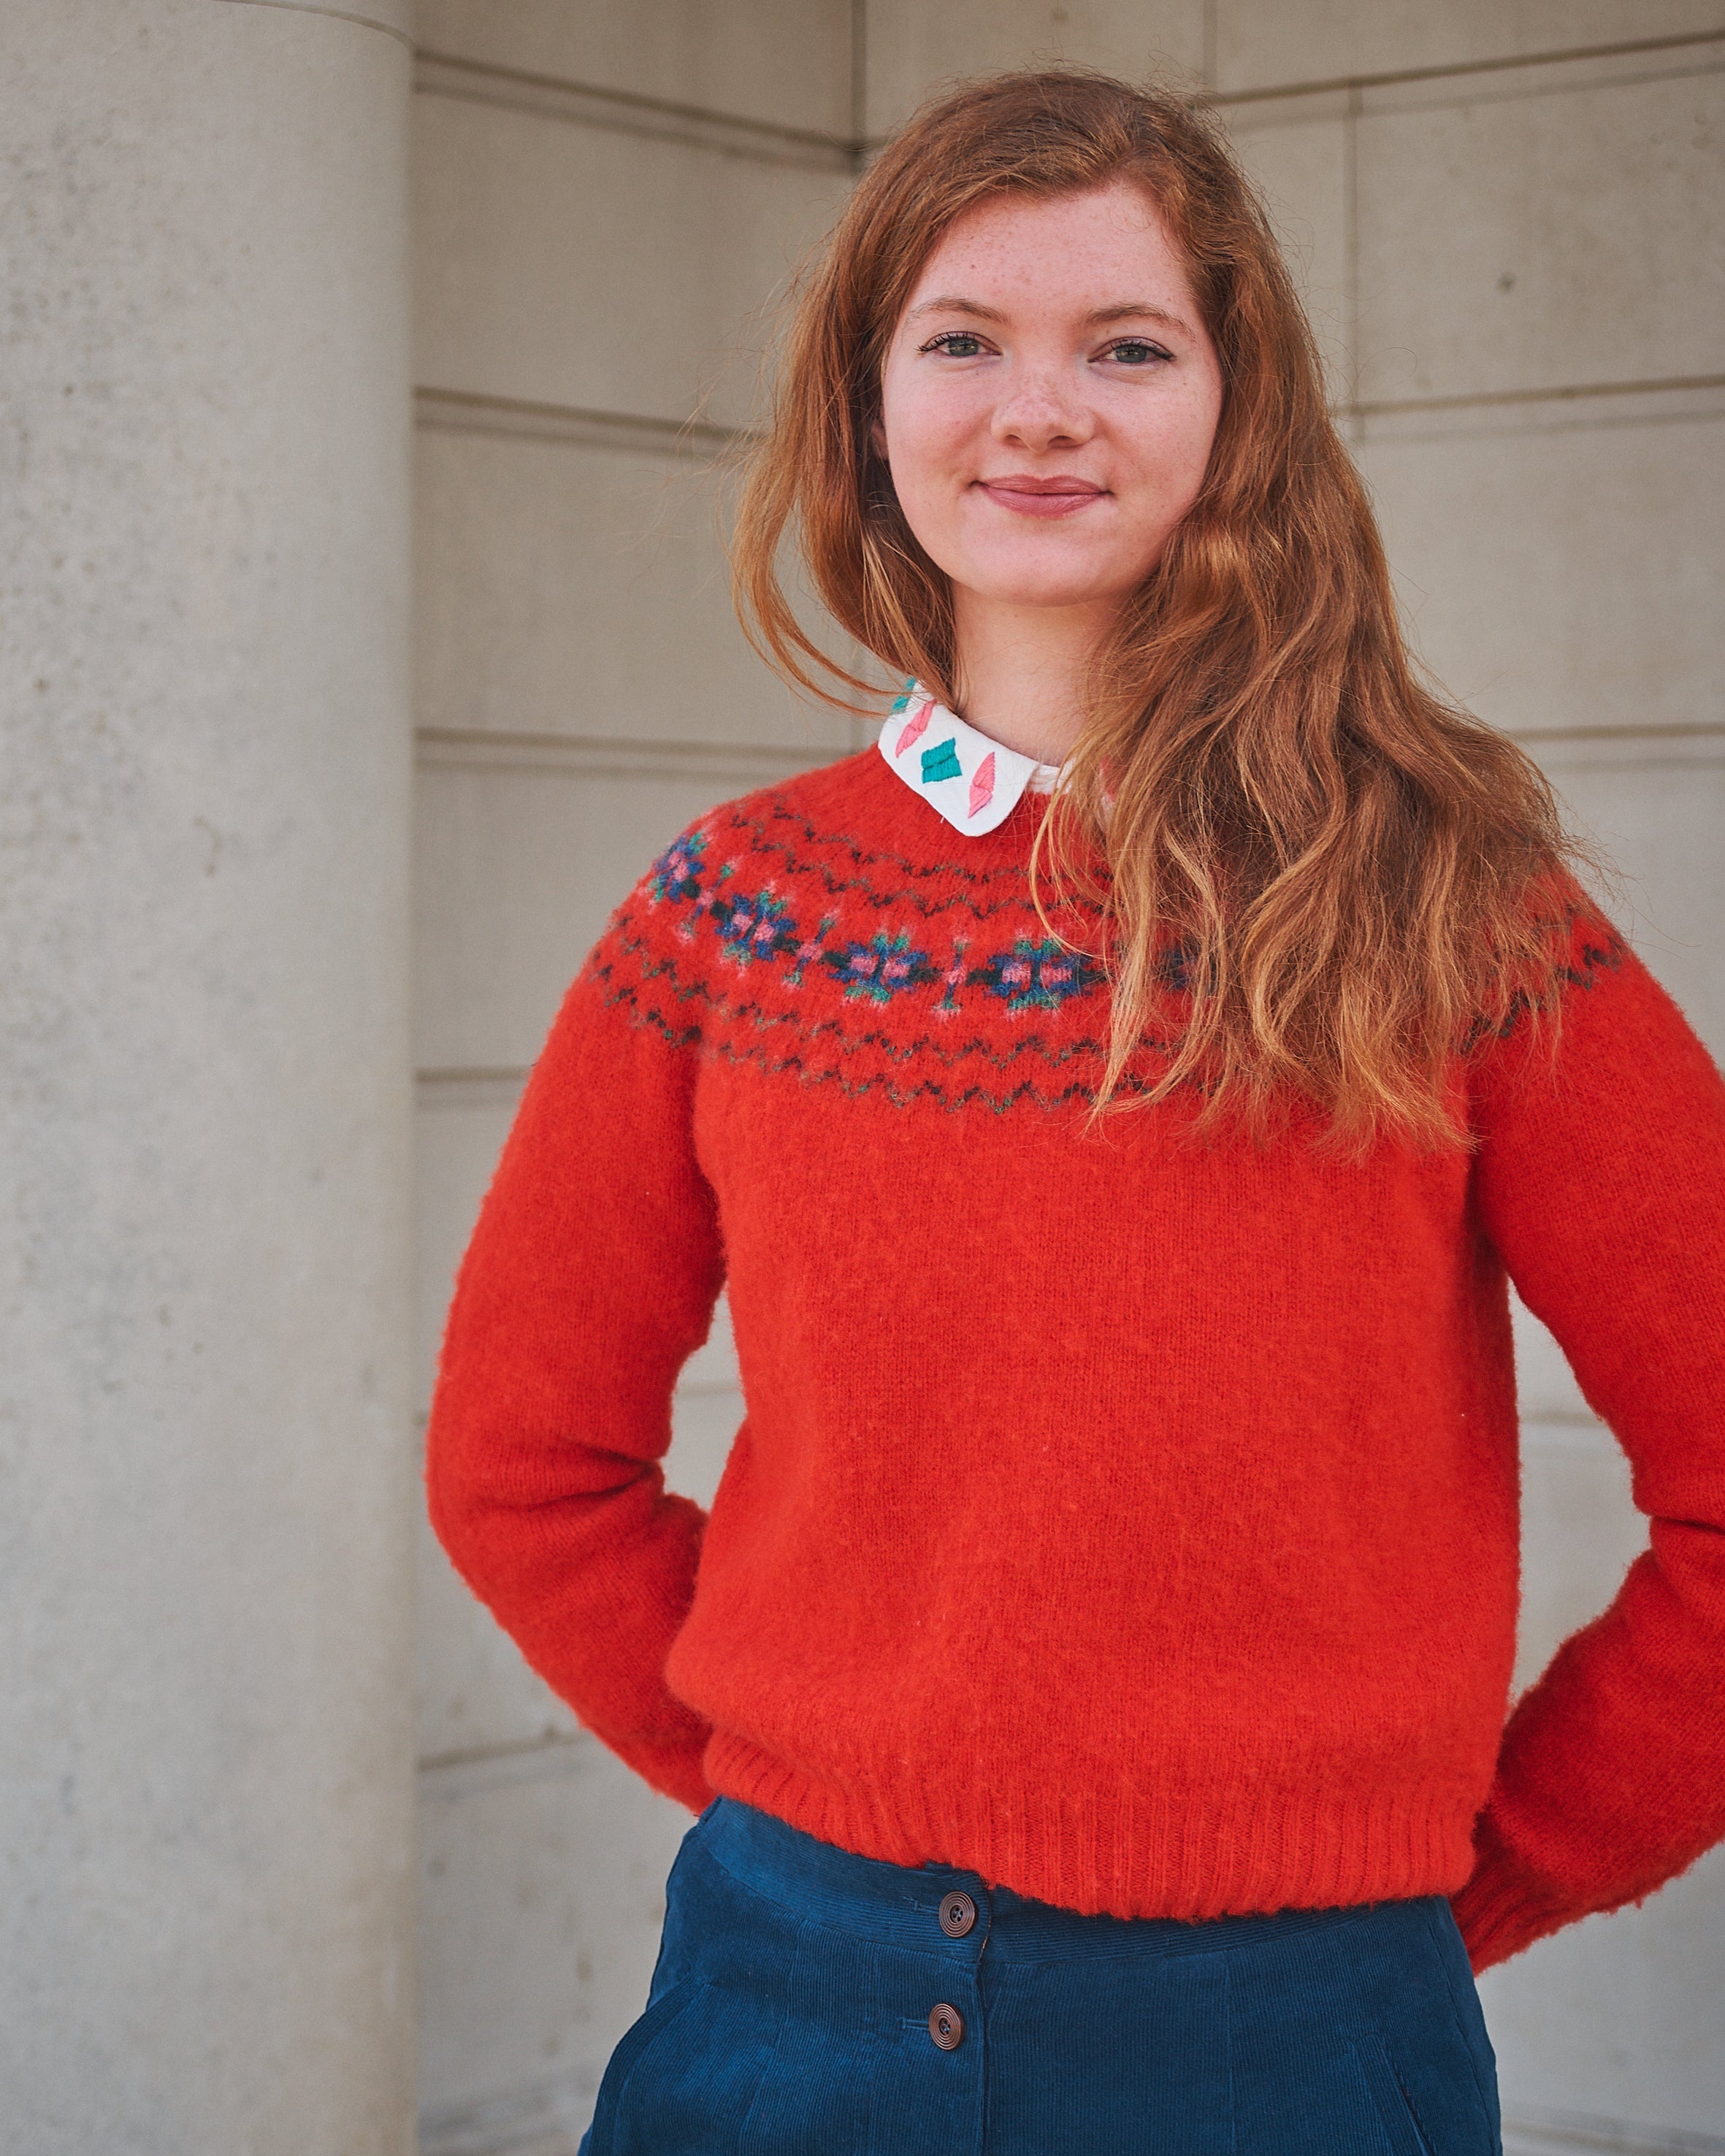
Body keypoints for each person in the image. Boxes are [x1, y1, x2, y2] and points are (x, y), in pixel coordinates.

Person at [424, 70, 1725, 2155]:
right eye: (962, 341)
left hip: (1288, 2037)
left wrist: (1489, 1860)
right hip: (784, 2005)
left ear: (1235, 409)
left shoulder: (1442, 900)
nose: (1039, 409)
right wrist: (809, 1769)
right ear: (870, 404)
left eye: (1125, 346)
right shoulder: (729, 911)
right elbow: (517, 1456)